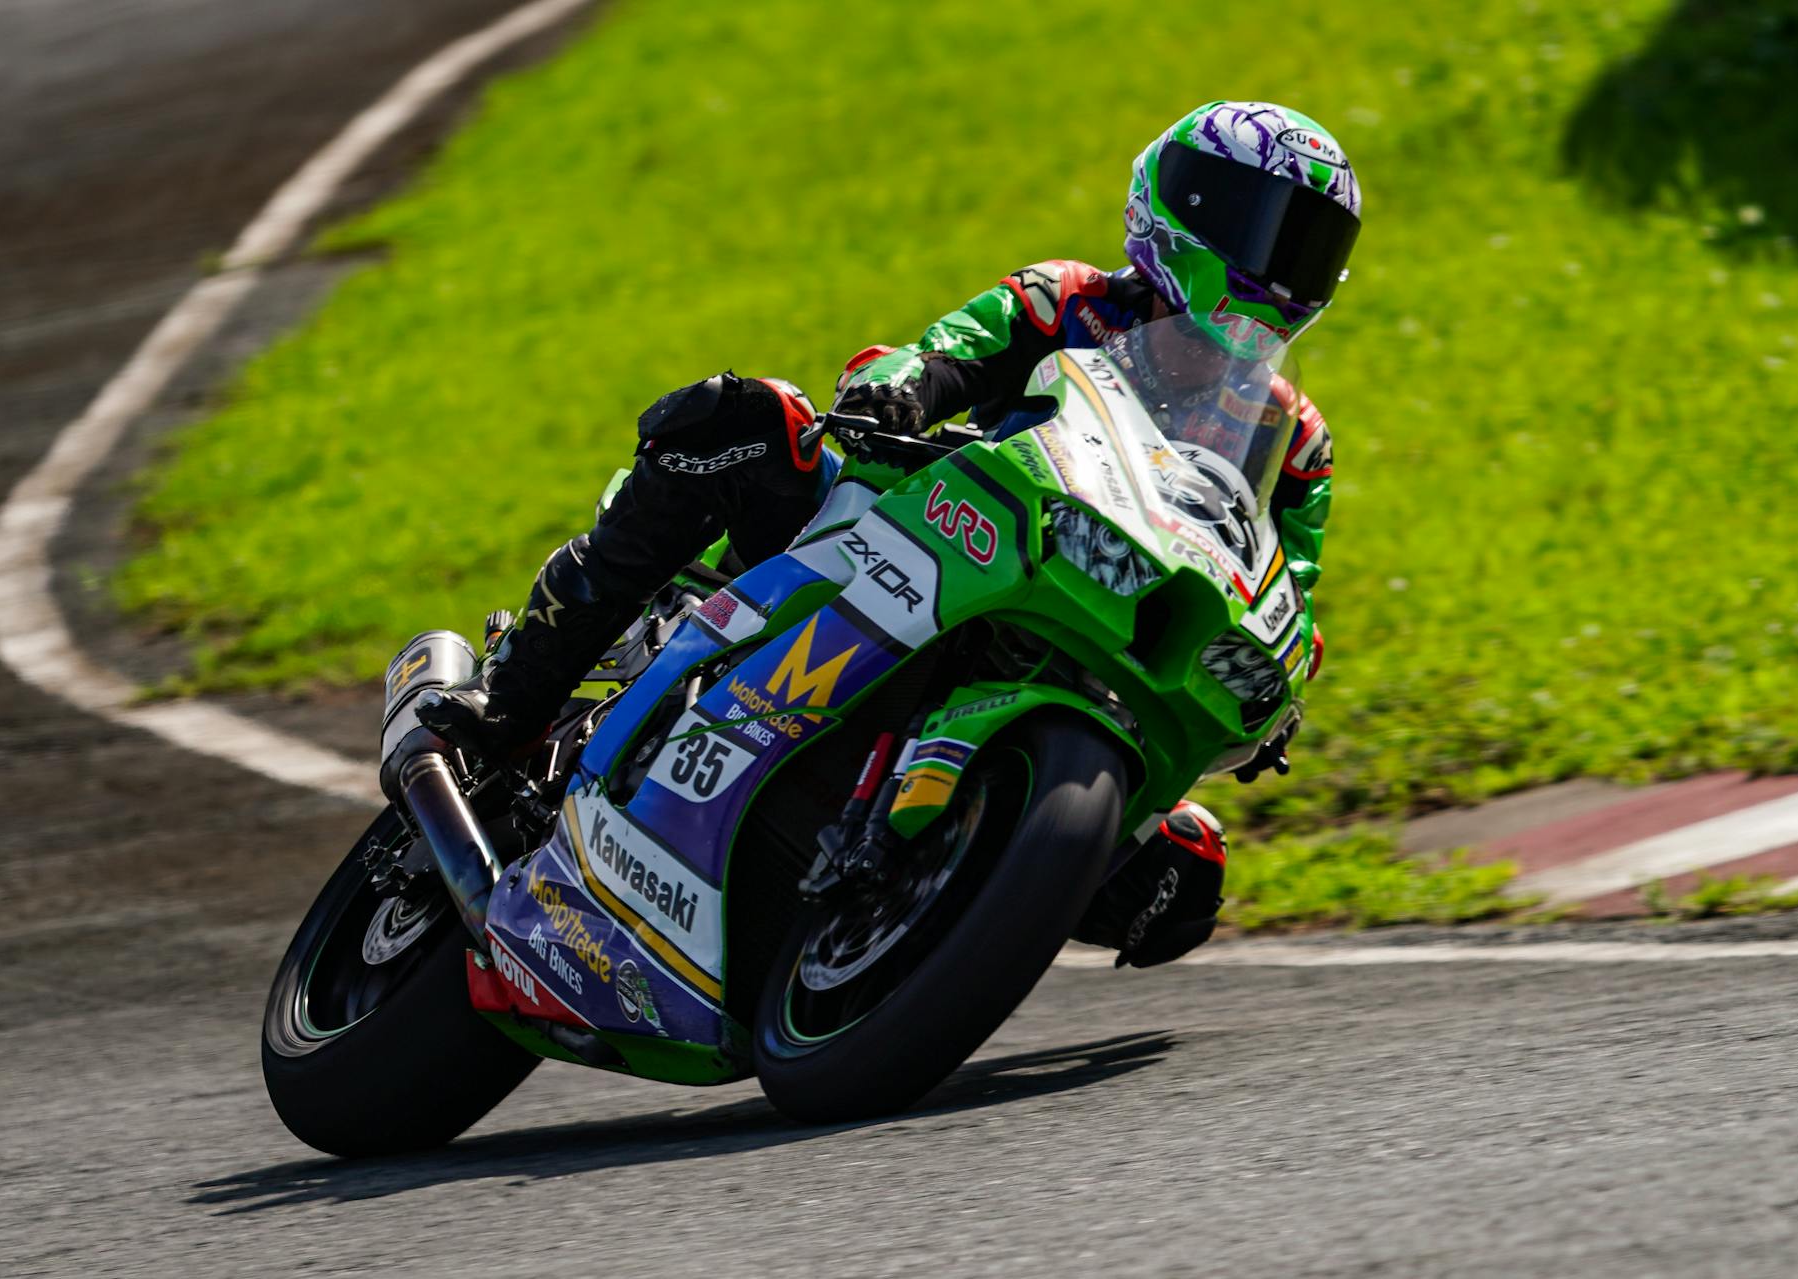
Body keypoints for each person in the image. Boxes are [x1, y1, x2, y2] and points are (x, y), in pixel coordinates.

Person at [421, 99, 1362, 968]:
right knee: (745, 422)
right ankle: (516, 699)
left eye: (1309, 247)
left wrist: (1289, 656)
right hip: (929, 531)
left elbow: (1287, 582)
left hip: (1093, 632)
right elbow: (953, 351)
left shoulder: (1296, 438)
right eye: (1261, 227)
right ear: (1181, 209)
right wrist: (904, 385)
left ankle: (948, 870)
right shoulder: (1068, 301)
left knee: (1183, 876)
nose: (1280, 267)